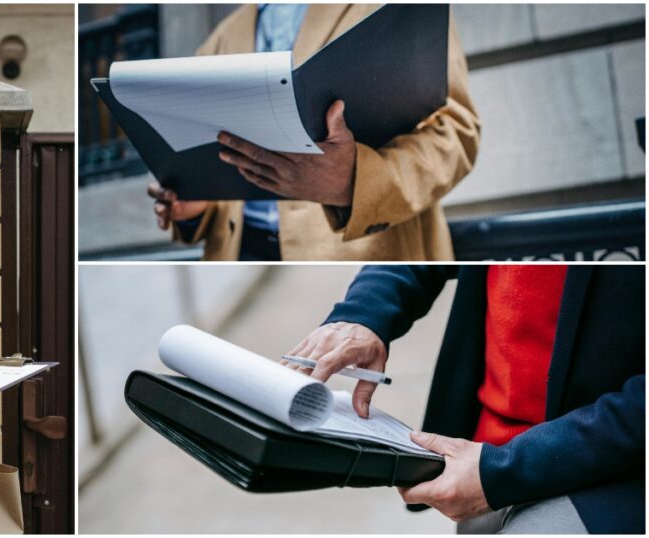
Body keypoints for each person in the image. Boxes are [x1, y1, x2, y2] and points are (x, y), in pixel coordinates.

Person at [284, 265, 644, 533]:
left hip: (609, 466)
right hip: (480, 455)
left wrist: (507, 469)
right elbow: (429, 231)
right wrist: (364, 315)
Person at [149, 4, 480, 261]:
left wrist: (353, 182)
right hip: (239, 254)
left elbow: (454, 132)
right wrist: (197, 207)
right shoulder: (222, 37)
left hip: (364, 263)